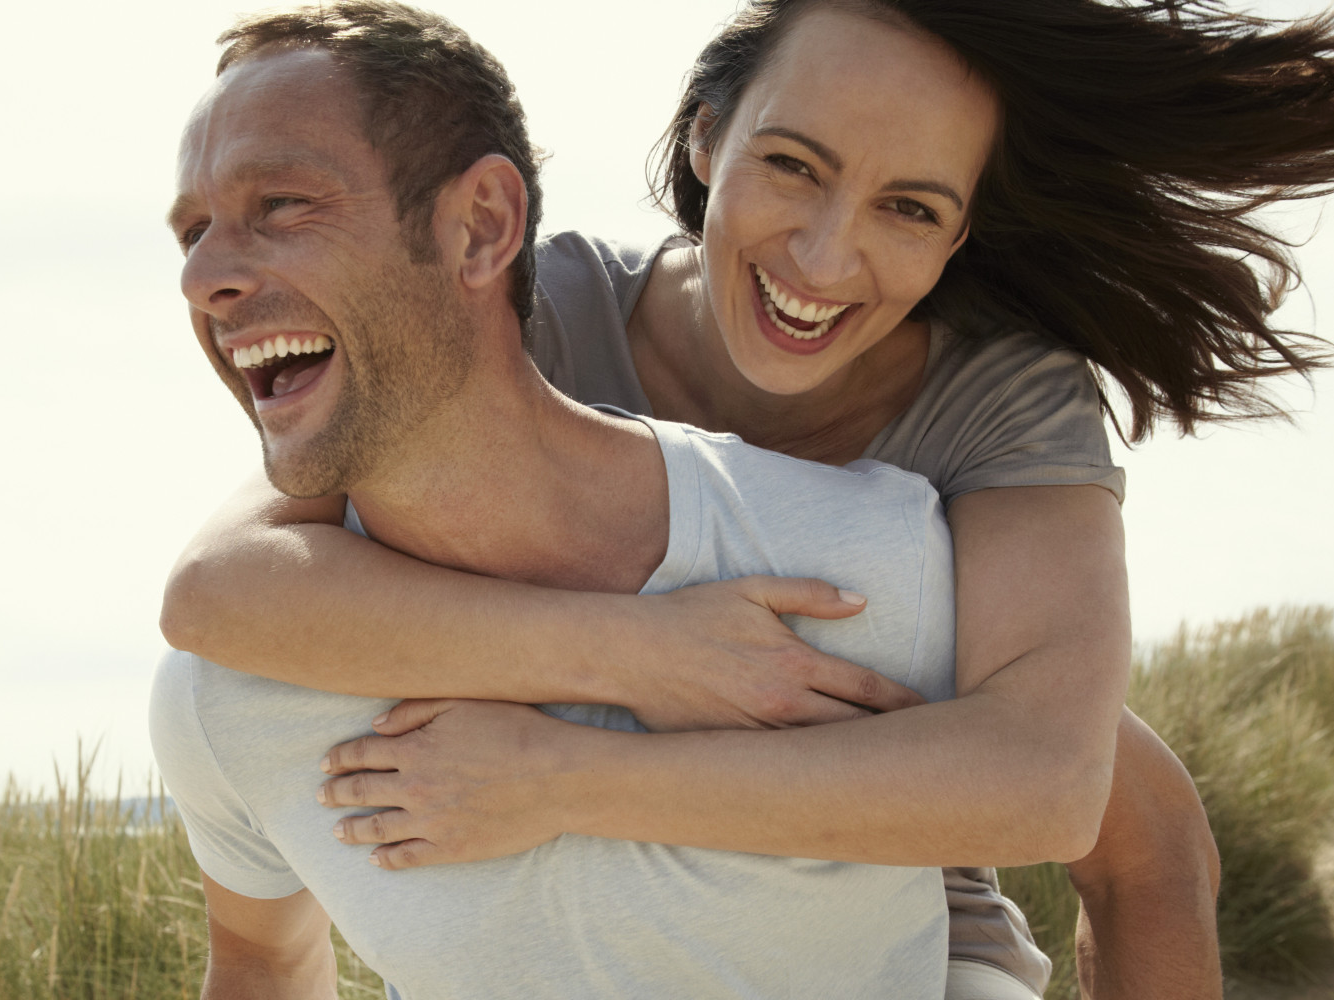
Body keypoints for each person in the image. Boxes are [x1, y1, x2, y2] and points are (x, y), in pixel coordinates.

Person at [159, 1, 1334, 997]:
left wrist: (568, 781)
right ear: (708, 138)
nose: (822, 258)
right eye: (793, 167)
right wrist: (640, 654)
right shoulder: (548, 312)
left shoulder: (996, 408)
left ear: (963, 230)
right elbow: (222, 592)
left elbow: (1076, 794)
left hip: (900, 885)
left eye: (908, 209)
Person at [151, 6, 991, 995]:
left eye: (283, 205)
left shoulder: (857, 566)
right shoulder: (229, 689)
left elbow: (1097, 808)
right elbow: (258, 960)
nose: (202, 277)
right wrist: (636, 654)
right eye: (193, 232)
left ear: (481, 226)